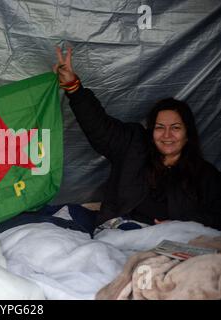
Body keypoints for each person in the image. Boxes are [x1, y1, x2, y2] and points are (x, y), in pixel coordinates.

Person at [53, 46, 221, 231]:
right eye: (159, 128)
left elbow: (217, 215)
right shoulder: (133, 145)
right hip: (122, 232)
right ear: (151, 131)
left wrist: (180, 224)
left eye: (175, 128)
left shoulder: (205, 175)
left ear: (187, 134)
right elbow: (98, 126)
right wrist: (73, 88)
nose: (167, 135)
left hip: (174, 238)